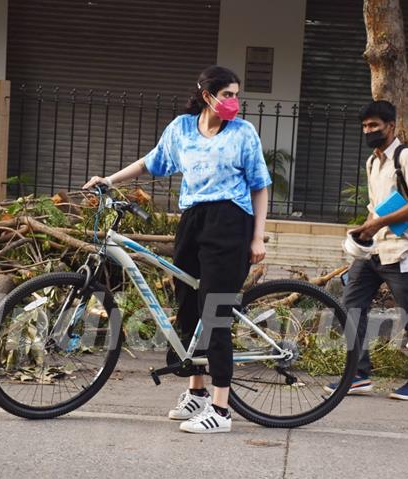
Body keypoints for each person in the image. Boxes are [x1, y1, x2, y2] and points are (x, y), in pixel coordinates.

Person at [83, 65, 271, 432]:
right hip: (192, 222)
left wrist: (257, 236)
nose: (234, 101)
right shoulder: (181, 129)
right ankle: (197, 392)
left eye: (236, 95)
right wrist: (109, 179)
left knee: (214, 310)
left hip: (230, 223)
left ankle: (220, 410)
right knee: (186, 307)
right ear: (207, 96)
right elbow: (150, 162)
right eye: (227, 94)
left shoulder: (244, 133)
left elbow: (260, 186)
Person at [325, 100, 408, 400]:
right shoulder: (373, 162)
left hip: (402, 250)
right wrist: (365, 229)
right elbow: (376, 206)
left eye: (374, 125)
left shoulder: (407, 157)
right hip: (373, 250)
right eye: (365, 126)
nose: (368, 130)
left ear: (391, 126)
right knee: (350, 307)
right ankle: (358, 374)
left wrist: (379, 223)